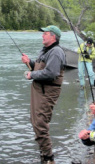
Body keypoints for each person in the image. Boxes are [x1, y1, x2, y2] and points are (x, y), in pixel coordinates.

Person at [21, 25, 66, 164]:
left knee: (40, 124)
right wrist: (30, 63)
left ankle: (48, 158)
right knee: (35, 122)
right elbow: (41, 67)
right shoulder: (46, 50)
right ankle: (43, 154)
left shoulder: (56, 52)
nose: (42, 36)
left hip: (47, 92)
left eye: (45, 33)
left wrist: (31, 74)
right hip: (39, 90)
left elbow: (51, 73)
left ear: (53, 36)